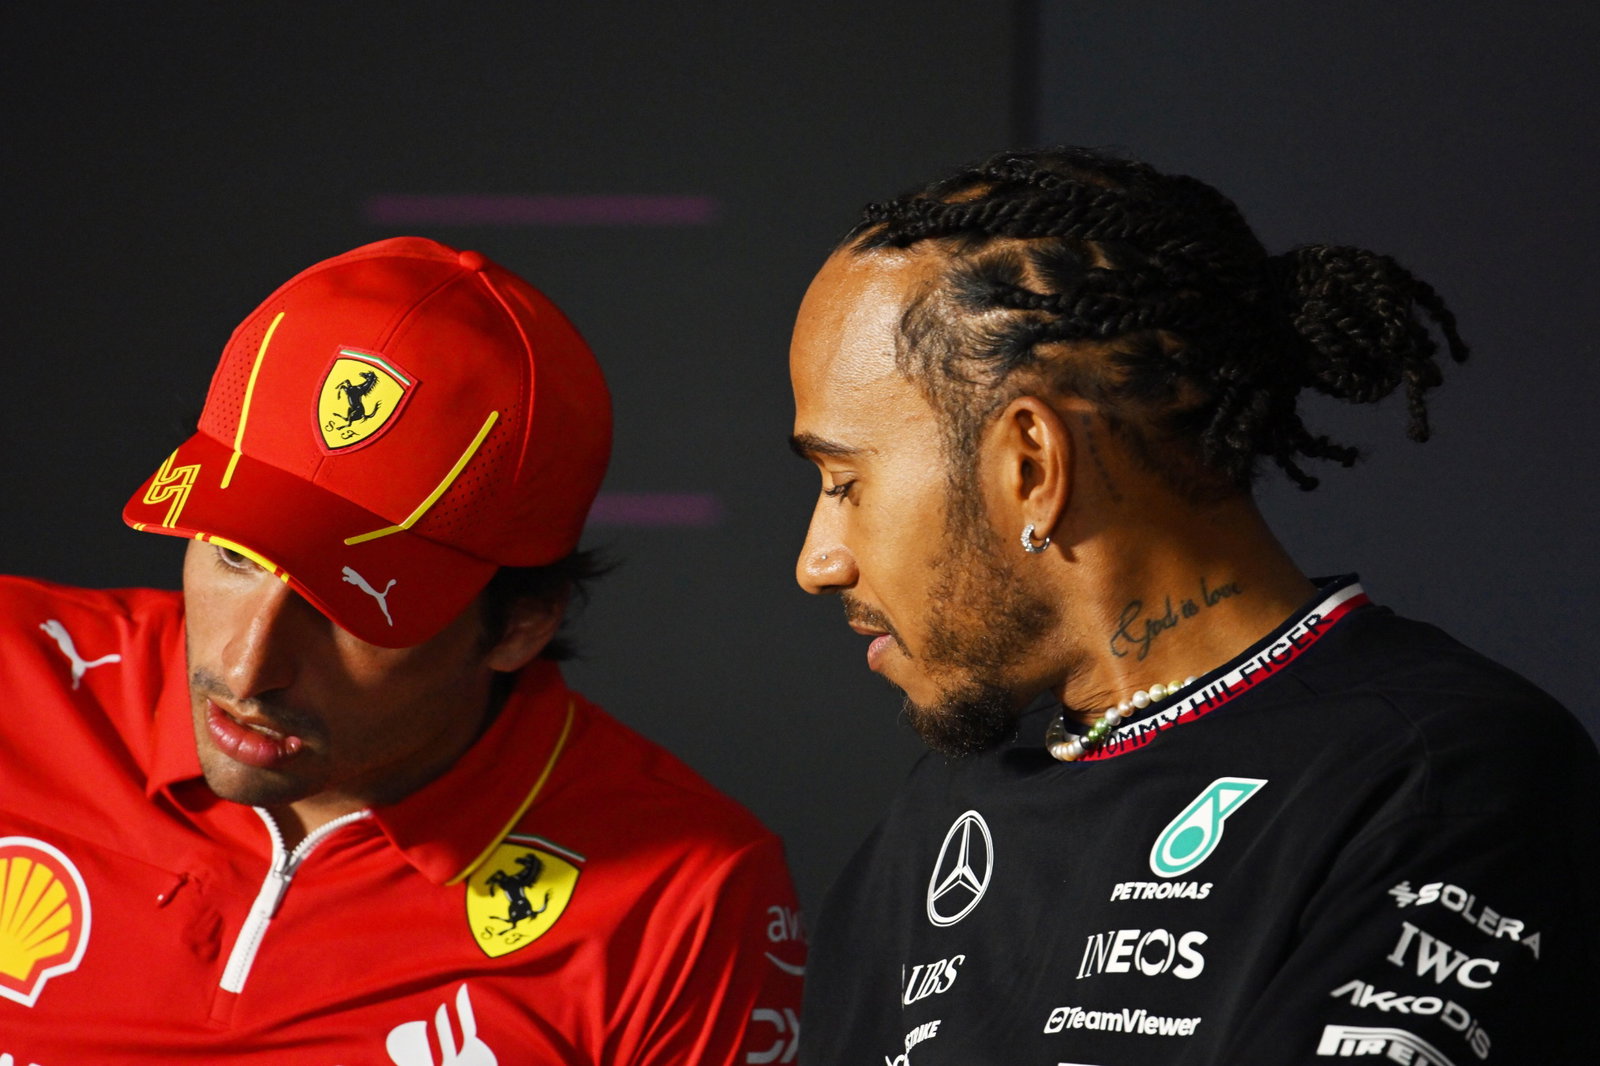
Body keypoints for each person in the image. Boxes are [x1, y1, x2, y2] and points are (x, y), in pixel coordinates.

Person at [788, 147, 1599, 1065]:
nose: (818, 563)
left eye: (844, 482)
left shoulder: (1440, 777)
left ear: (1031, 466)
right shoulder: (936, 816)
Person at [0, 237, 805, 1064]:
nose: (246, 669)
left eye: (351, 606)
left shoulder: (684, 901)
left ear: (521, 625)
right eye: (235, 557)